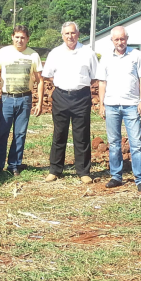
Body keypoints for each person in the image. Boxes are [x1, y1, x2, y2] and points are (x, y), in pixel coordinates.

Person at [41, 21, 98, 184]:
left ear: (78, 34)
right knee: (59, 134)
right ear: (62, 35)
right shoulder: (55, 53)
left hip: (81, 97)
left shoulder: (87, 52)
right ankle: (55, 170)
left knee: (81, 135)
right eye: (66, 33)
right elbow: (49, 75)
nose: (70, 36)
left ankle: (83, 172)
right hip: (61, 96)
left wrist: (79, 87)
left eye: (73, 33)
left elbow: (94, 76)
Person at [97, 26, 141, 192]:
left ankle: (140, 179)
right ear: (112, 41)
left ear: (127, 39)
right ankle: (116, 176)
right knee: (114, 143)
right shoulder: (106, 58)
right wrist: (101, 104)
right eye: (116, 39)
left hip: (131, 106)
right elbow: (102, 82)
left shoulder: (136, 55)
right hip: (111, 106)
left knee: (135, 144)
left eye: (122, 39)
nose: (120, 42)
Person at [0, 25, 44, 176]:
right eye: (17, 37)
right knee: (2, 132)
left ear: (27, 39)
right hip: (7, 98)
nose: (20, 40)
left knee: (20, 134)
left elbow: (40, 80)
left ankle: (14, 165)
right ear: (12, 37)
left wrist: (38, 102)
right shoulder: (3, 53)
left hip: (24, 99)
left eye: (23, 38)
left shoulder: (33, 56)